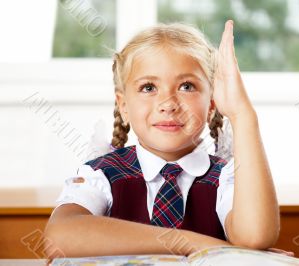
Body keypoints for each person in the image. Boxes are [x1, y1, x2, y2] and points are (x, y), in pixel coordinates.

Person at [44, 20, 280, 258]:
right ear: (124, 106)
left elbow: (255, 236)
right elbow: (59, 238)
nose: (168, 104)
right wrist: (196, 244)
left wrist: (242, 114)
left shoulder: (227, 179)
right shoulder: (101, 174)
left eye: (186, 86)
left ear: (211, 105)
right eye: (149, 87)